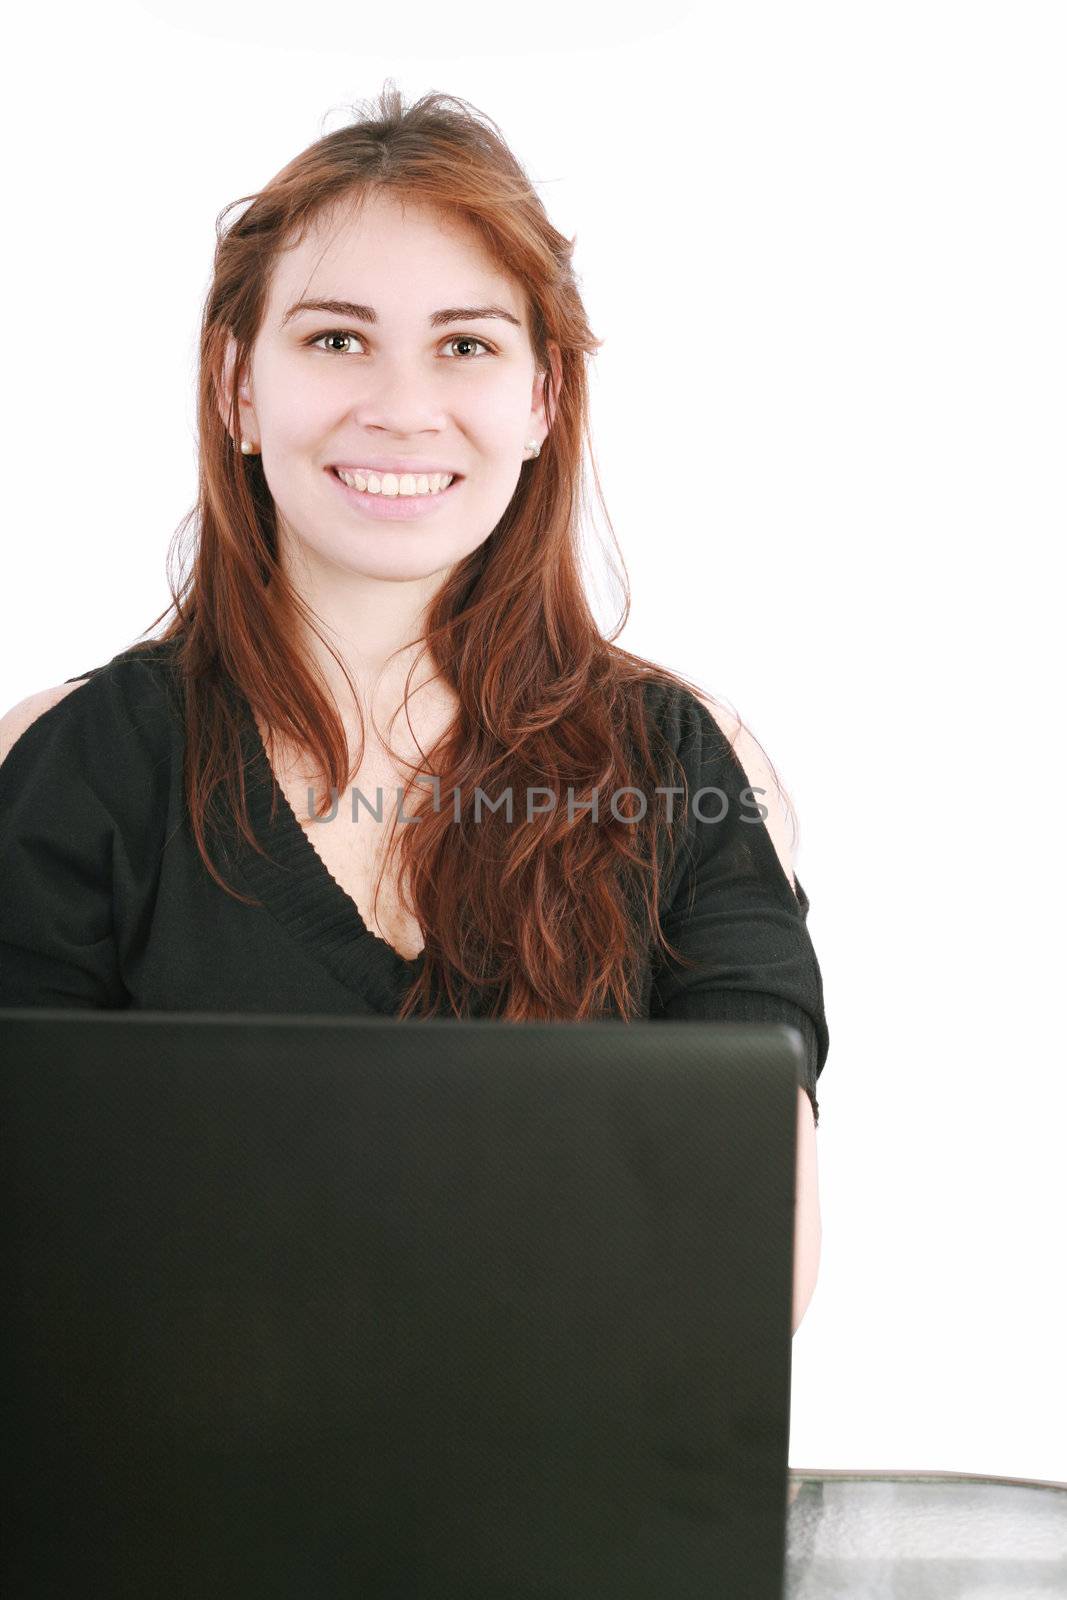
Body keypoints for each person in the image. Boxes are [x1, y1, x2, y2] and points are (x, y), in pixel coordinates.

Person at [0, 83, 826, 1330]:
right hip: (162, 1520)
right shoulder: (68, 765)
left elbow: (744, 1270)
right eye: (336, 339)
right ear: (236, 387)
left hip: (575, 1512)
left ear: (541, 399)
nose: (399, 406)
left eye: (465, 344)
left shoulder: (687, 763)